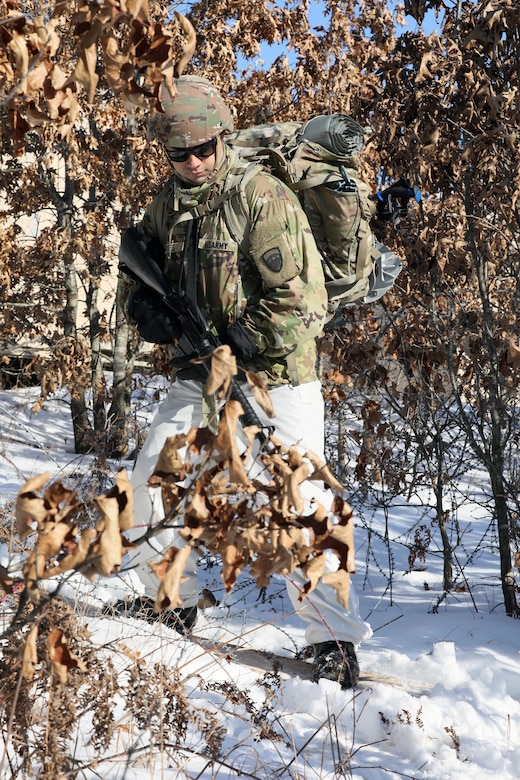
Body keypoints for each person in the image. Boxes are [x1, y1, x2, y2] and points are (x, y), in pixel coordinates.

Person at [117, 75, 372, 688]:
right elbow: (136, 263)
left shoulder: (261, 198)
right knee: (152, 476)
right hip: (202, 372)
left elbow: (306, 300)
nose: (195, 161)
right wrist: (142, 309)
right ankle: (169, 596)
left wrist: (244, 344)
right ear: (166, 152)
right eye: (181, 153)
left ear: (222, 138)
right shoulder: (167, 203)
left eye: (205, 148)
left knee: (301, 499)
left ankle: (332, 639)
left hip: (278, 372)